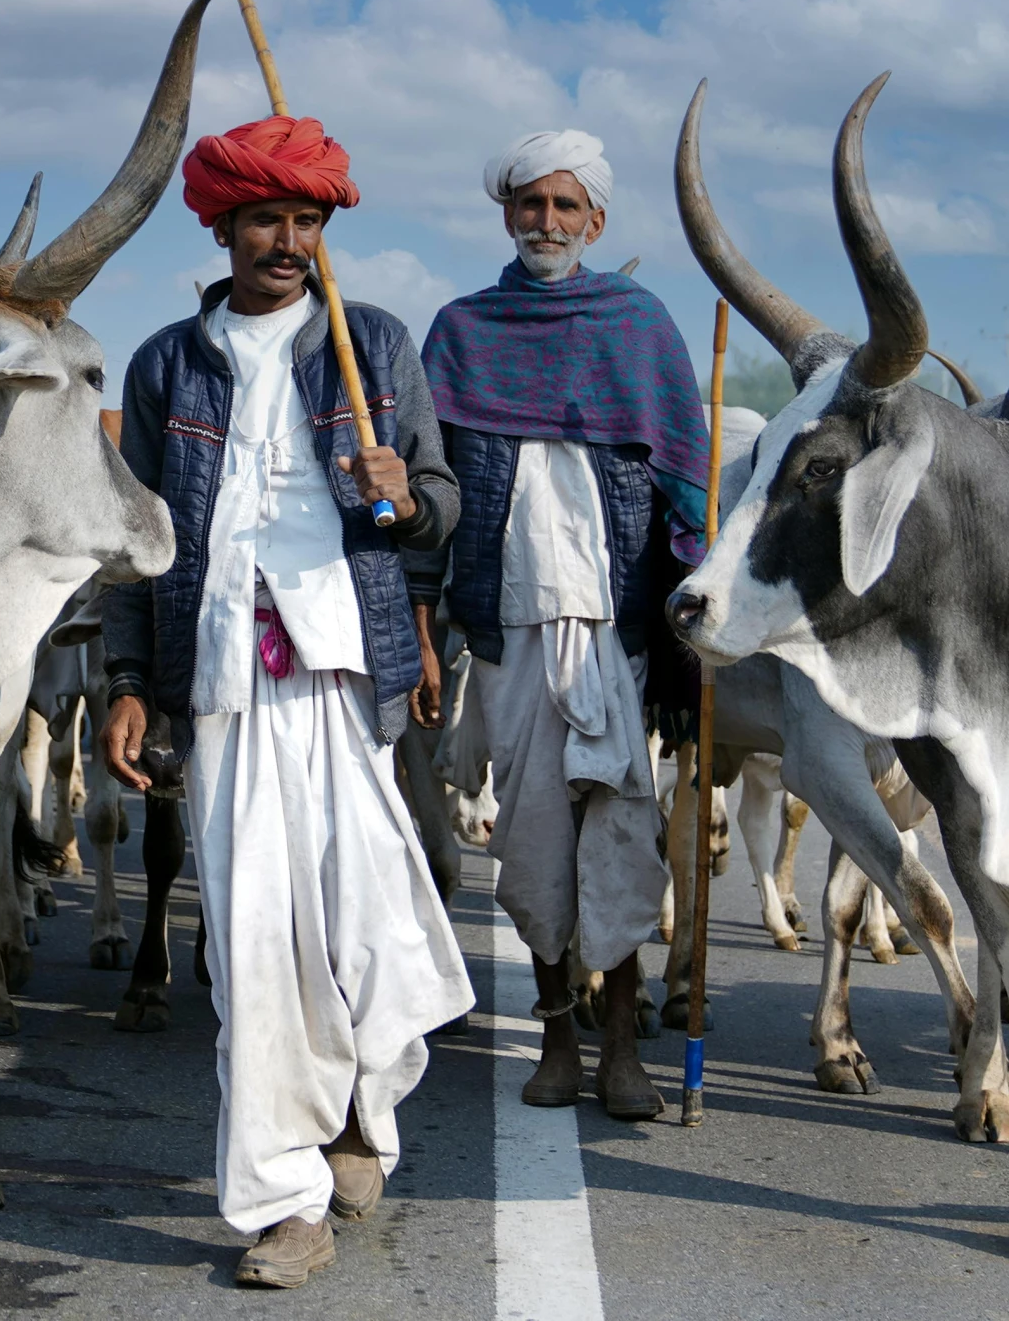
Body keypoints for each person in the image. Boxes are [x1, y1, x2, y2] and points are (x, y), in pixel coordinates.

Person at [99, 114, 473, 1290]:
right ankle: (286, 1198)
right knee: (258, 947)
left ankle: (364, 1106)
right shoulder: (169, 362)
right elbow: (140, 536)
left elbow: (441, 506)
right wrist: (124, 684)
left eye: (307, 221)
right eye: (267, 217)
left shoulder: (372, 344)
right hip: (219, 688)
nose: (289, 240)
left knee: (376, 929)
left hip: (344, 679)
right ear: (222, 225)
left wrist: (399, 493)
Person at [414, 130, 709, 1121]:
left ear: (596, 221)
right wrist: (421, 619)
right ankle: (555, 1034)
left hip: (619, 627)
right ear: (508, 214)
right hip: (507, 627)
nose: (546, 222)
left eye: (564, 206)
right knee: (535, 835)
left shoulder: (638, 327)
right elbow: (434, 491)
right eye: (530, 204)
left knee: (621, 830)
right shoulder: (462, 331)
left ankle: (624, 1046)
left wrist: (695, 563)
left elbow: (683, 477)